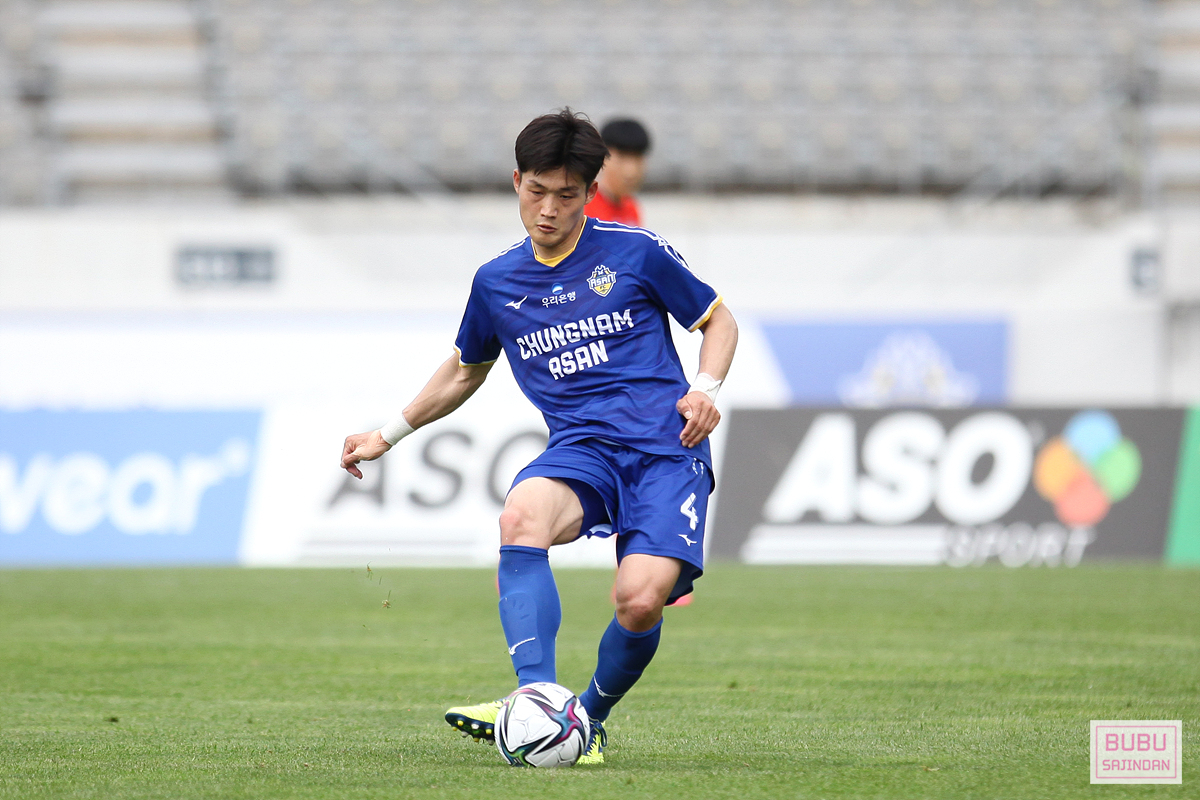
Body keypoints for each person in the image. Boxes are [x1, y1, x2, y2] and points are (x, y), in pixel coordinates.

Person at [340, 109, 737, 765]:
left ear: (590, 192)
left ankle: (587, 720)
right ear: (516, 181)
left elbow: (719, 322)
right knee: (520, 516)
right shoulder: (496, 281)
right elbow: (465, 370)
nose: (549, 209)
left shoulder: (636, 251)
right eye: (537, 191)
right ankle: (535, 700)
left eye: (567, 195)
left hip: (667, 450)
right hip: (582, 450)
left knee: (640, 602)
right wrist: (389, 433)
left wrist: (706, 389)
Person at [584, 117, 651, 226]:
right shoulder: (583, 207)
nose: (631, 172)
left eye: (637, 159)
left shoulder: (632, 208)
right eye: (622, 158)